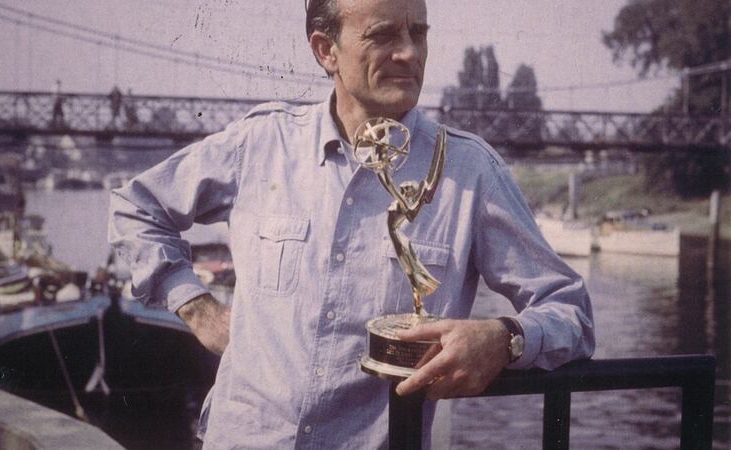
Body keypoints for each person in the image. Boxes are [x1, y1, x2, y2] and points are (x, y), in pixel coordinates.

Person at [108, 0, 595, 448]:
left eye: (418, 32)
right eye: (383, 35)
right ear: (326, 51)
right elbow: (136, 207)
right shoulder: (260, 145)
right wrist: (198, 309)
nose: (409, 53)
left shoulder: (471, 173)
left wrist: (505, 339)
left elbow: (571, 312)